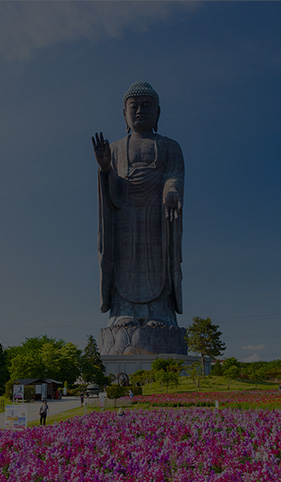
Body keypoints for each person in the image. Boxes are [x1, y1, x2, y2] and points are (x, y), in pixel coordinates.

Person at [93, 81, 184, 329]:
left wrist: (172, 191)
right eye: (134, 106)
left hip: (157, 215)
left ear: (157, 113)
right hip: (124, 216)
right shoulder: (115, 148)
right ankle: (123, 310)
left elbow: (173, 176)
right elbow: (112, 192)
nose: (140, 111)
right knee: (123, 262)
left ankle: (160, 313)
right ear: (125, 114)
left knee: (159, 260)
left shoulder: (170, 147)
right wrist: (104, 168)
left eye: (147, 106)